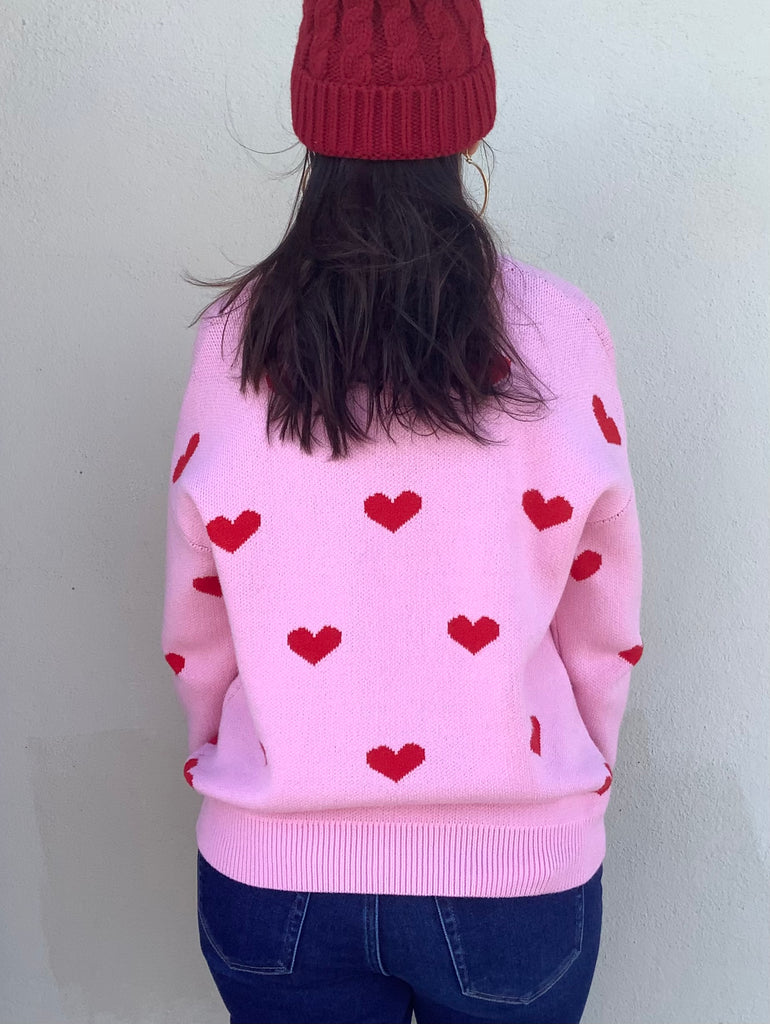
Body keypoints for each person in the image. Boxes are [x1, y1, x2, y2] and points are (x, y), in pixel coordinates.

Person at [160, 1, 644, 1021]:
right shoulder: (563, 331)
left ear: (311, 120)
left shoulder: (231, 341)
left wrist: (257, 756)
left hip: (273, 879)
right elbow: (600, 613)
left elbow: (198, 619)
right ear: (471, 117)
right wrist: (568, 777)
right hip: (516, 881)